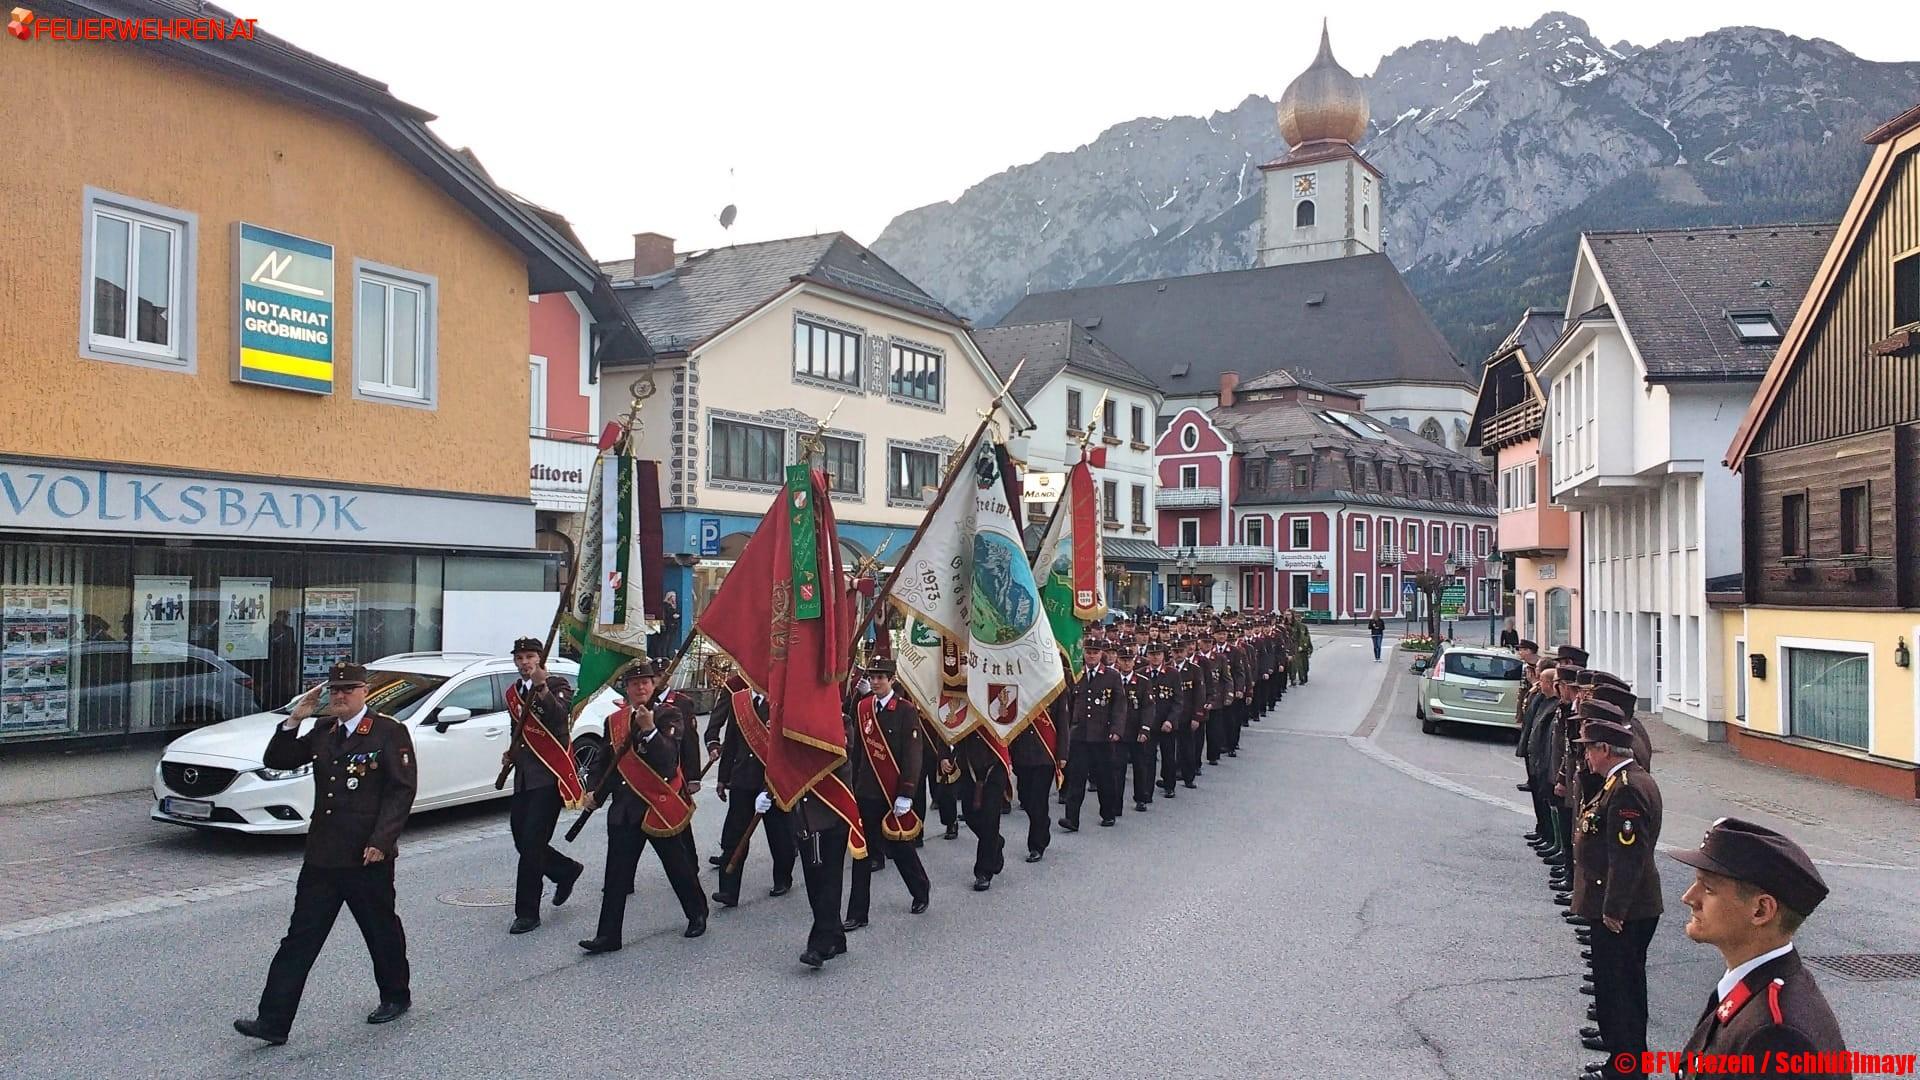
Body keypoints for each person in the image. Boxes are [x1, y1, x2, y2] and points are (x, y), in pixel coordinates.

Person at [235, 663, 416, 1044]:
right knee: (299, 938)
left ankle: (396, 995)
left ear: (364, 691)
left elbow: (401, 792)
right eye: (334, 691)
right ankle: (273, 1021)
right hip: (323, 855)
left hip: (366, 857)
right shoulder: (322, 730)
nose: (339, 696)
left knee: (380, 930)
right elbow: (279, 759)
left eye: (347, 690)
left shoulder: (387, 732)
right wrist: (294, 719)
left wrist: (381, 842)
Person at [1667, 819, 1849, 1078]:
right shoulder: (1754, 989)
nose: (1689, 898)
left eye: (1708, 889)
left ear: (1761, 910)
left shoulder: (1776, 1035)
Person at [578, 661, 708, 953]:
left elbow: (667, 760)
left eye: (645, 682)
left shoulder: (668, 715)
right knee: (616, 876)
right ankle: (608, 935)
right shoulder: (615, 721)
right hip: (625, 808)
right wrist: (594, 791)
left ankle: (697, 912)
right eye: (634, 684)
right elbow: (606, 762)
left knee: (678, 867)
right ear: (627, 689)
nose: (640, 688)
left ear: (654, 685)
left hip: (657, 805)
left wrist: (649, 730)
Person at [1569, 716, 1663, 1080]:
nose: (1586, 759)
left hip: (1624, 909)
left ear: (1604, 749)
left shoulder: (1626, 788)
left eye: (1589, 750)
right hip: (1625, 906)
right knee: (1619, 988)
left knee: (1620, 993)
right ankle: (1622, 1062)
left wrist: (1613, 910)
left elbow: (1627, 858)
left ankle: (1625, 1070)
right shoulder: (1624, 781)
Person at [501, 636, 585, 935]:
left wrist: (542, 687)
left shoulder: (557, 685)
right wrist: (511, 751)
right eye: (519, 657)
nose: (524, 662)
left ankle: (527, 912)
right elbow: (518, 729)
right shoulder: (513, 693)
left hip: (550, 778)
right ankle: (565, 870)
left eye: (529, 657)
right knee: (520, 839)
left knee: (532, 846)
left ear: (540, 659)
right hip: (525, 777)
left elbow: (559, 718)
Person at [842, 660, 930, 926]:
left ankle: (920, 889)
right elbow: (858, 753)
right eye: (874, 677)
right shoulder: (863, 707)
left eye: (882, 677)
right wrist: (852, 787)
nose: (877, 682)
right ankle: (858, 914)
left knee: (900, 848)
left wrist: (906, 793)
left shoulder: (905, 711)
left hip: (892, 793)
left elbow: (913, 755)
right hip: (867, 792)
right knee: (862, 854)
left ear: (892, 680)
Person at [707, 676, 796, 907]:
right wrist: (723, 778)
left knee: (781, 836)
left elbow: (791, 747)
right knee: (733, 836)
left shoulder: (783, 702)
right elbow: (732, 742)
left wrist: (783, 781)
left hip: (772, 782)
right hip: (742, 779)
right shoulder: (740, 701)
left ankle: (783, 878)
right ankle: (728, 890)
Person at [1060, 637, 1123, 831]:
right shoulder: (1076, 674)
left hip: (1102, 736)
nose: (1092, 656)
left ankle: (1108, 813)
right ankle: (1072, 819)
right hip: (1079, 736)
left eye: (1095, 652)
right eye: (1089, 652)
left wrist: (1116, 730)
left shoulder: (1111, 676)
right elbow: (1069, 705)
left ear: (1101, 654)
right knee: (1076, 779)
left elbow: (1119, 706)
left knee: (1105, 778)